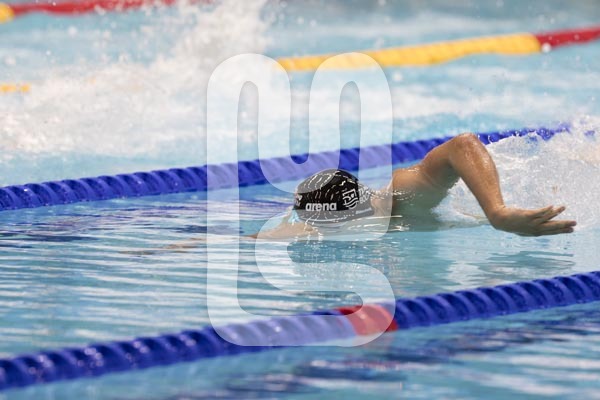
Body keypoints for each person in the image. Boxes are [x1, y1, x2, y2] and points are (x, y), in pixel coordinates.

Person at [253, 133, 576, 239]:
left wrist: (497, 212)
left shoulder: (404, 193)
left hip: (547, 183)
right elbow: (266, 237)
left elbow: (462, 144)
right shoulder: (324, 226)